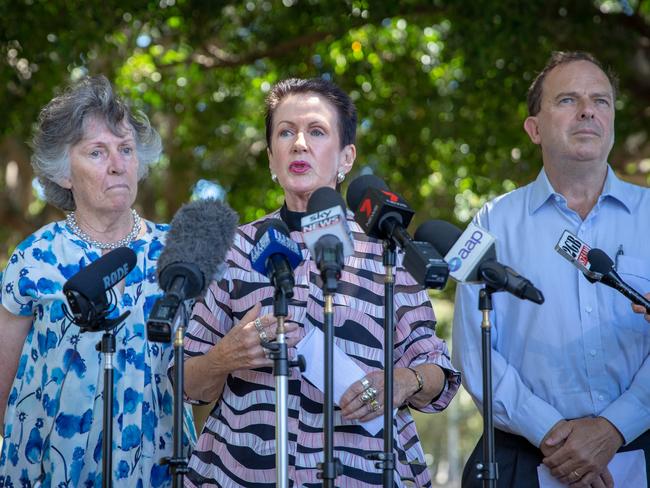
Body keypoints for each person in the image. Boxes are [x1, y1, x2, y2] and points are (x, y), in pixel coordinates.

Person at [180, 77, 460, 487]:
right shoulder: (236, 249)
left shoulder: (388, 252)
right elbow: (184, 381)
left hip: (364, 474)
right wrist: (225, 356)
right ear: (272, 159)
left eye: (316, 131)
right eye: (285, 132)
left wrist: (403, 382)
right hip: (240, 474)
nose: (299, 144)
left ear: (346, 157)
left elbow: (438, 370)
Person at [453, 51, 650, 488]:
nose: (587, 111)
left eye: (601, 101)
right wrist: (555, 436)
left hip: (642, 446)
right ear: (534, 129)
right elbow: (473, 351)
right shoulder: (489, 223)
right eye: (567, 100)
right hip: (522, 459)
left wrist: (614, 427)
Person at [0, 75, 194, 487]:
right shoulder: (36, 257)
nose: (117, 163)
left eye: (126, 150)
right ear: (64, 173)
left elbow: (203, 367)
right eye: (97, 152)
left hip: (160, 465)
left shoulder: (176, 251)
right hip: (54, 468)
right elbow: (3, 379)